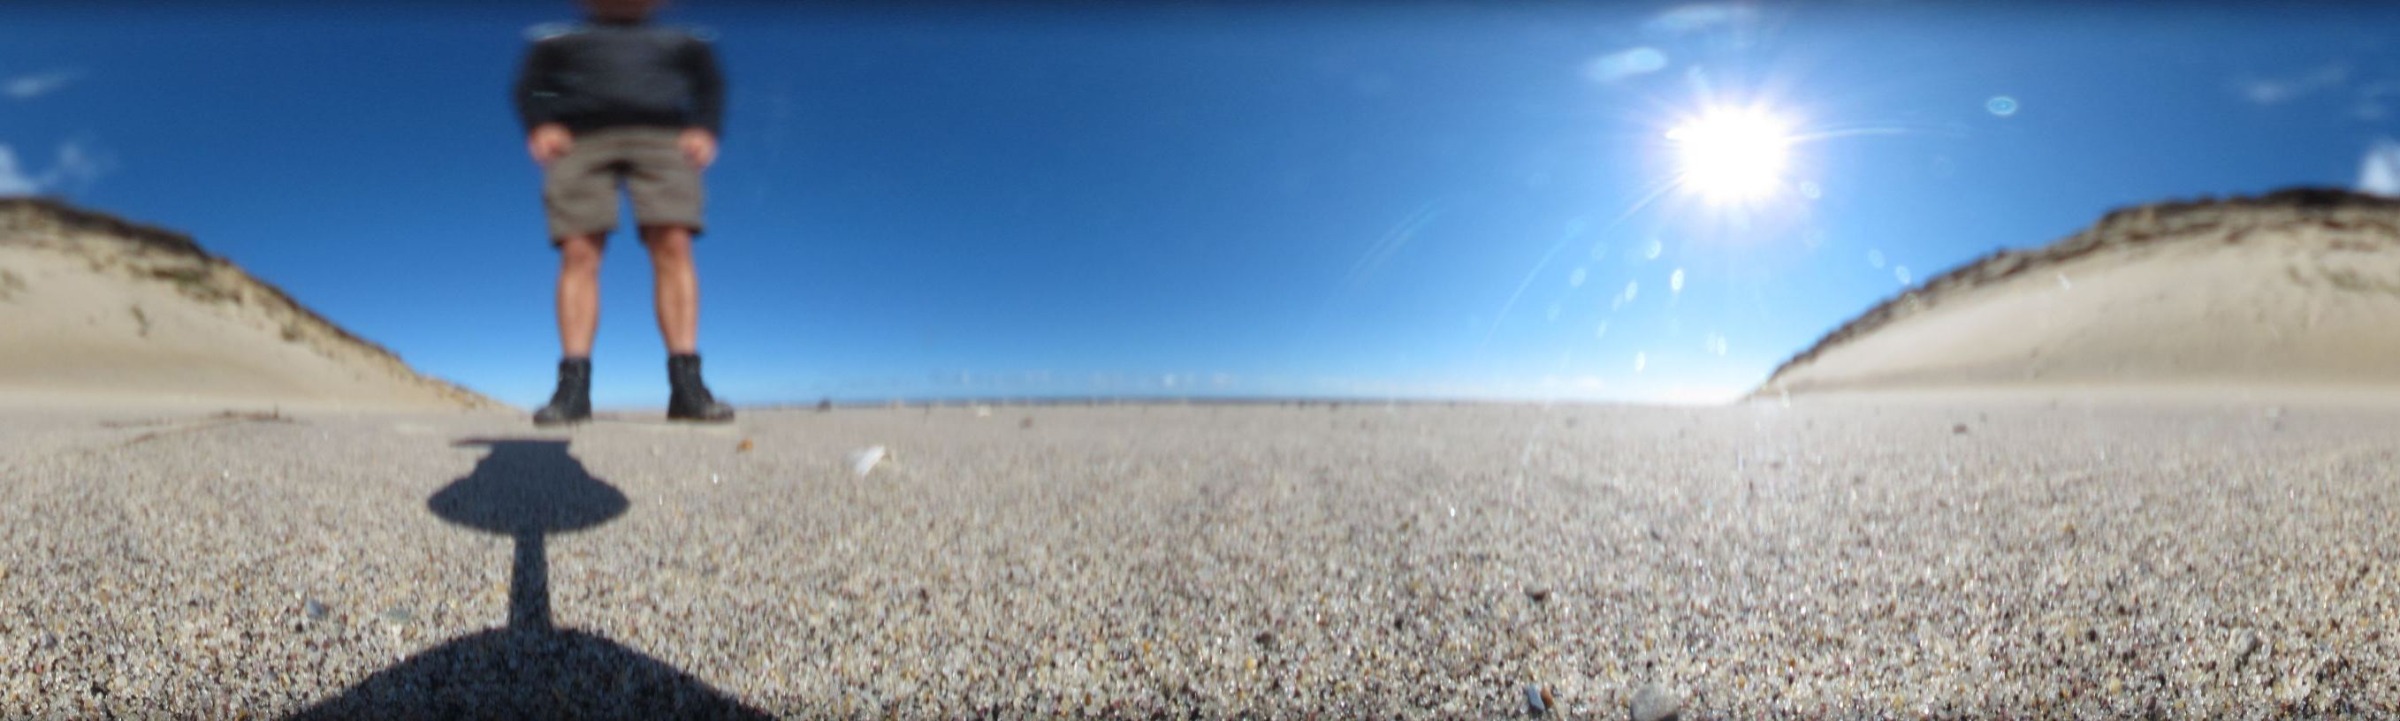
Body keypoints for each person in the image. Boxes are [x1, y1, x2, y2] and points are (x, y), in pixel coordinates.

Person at [514, 0, 733, 425]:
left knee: (673, 243)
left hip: (663, 137)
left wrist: (705, 126)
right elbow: (531, 85)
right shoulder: (556, 39)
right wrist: (540, 121)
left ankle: (687, 386)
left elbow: (709, 85)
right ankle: (573, 389)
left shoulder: (686, 41)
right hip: (580, 140)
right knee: (578, 251)